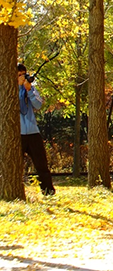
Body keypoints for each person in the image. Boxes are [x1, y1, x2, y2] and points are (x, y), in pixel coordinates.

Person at [18, 64, 55, 195]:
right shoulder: (8, 89)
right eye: (19, 75)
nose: (23, 78)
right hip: (17, 134)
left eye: (24, 74)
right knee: (15, 166)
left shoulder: (30, 89)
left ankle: (48, 192)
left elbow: (38, 105)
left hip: (33, 132)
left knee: (41, 164)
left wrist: (28, 91)